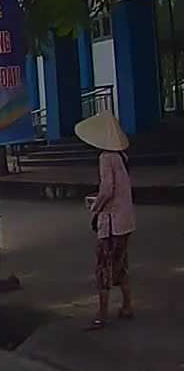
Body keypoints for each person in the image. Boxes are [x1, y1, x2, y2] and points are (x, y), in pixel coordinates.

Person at [76, 110, 135, 330]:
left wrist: (95, 207)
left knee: (103, 267)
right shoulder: (121, 157)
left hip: (111, 222)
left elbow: (107, 190)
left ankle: (102, 314)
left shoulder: (105, 158)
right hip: (125, 221)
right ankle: (127, 306)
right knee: (120, 265)